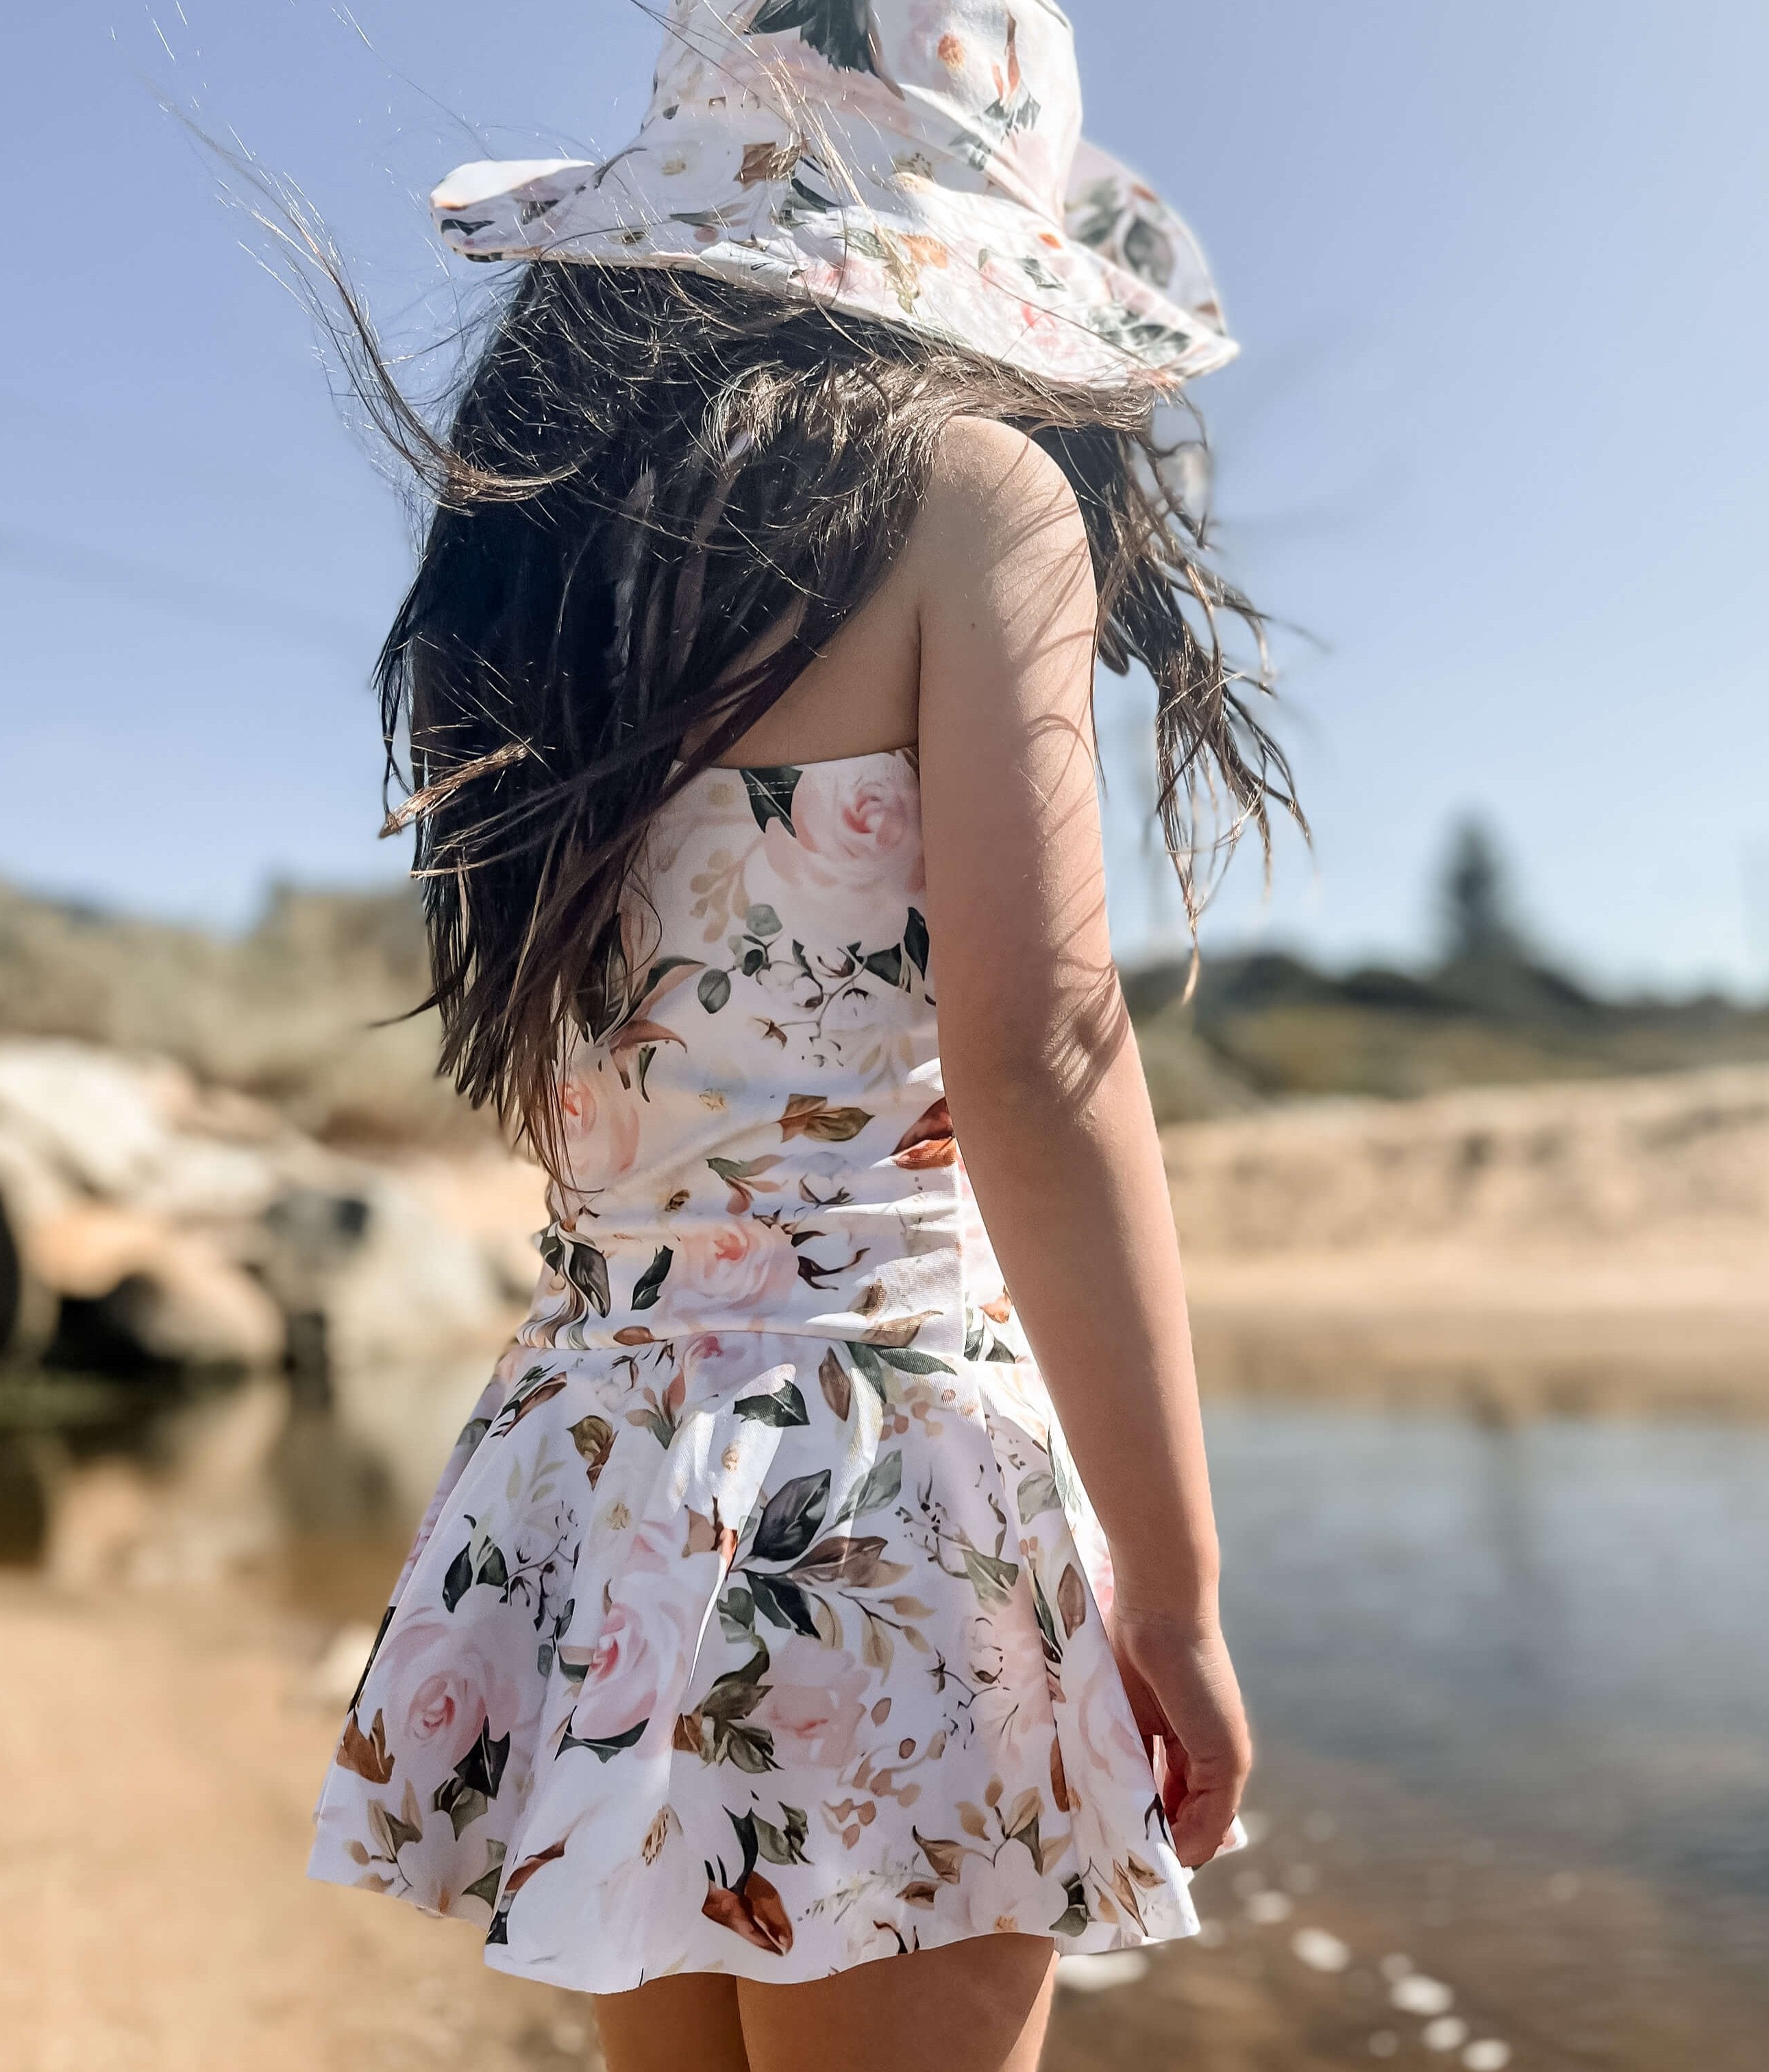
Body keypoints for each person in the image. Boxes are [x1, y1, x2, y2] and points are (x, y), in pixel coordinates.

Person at [305, 5, 1294, 2067]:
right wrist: (1177, 1600)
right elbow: (1042, 1062)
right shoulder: (971, 498)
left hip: (602, 1450)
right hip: (875, 1463)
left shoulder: (538, 556)